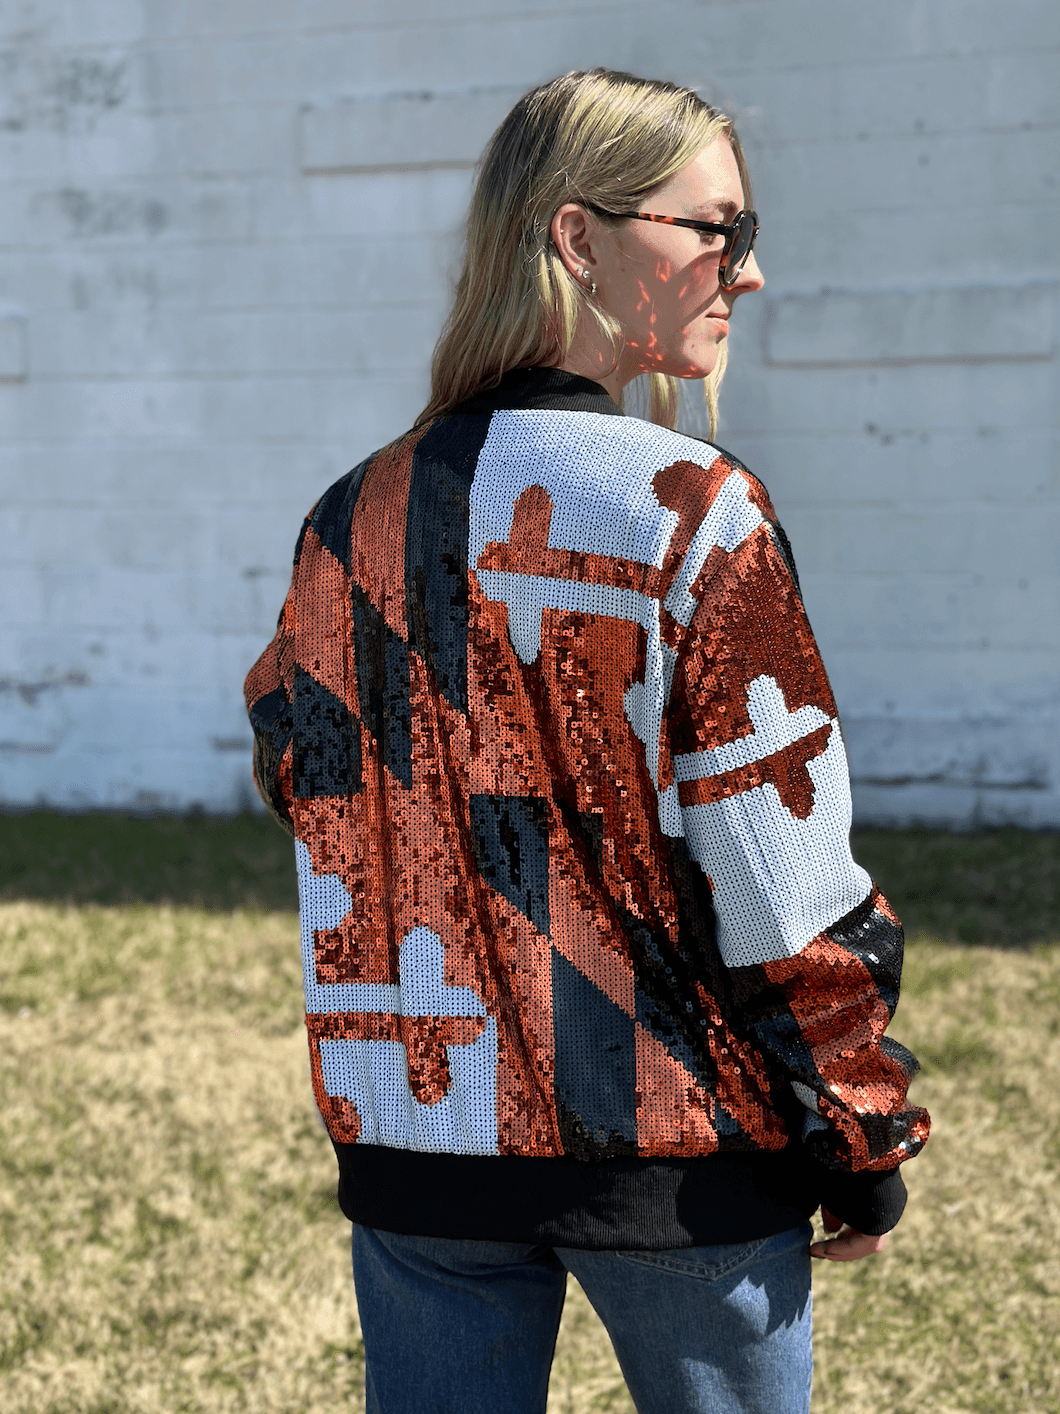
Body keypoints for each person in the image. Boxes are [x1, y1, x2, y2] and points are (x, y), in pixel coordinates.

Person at [244, 68, 929, 1414]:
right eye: (714, 228)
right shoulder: (691, 512)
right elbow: (779, 871)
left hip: (421, 1136)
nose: (751, 269)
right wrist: (861, 1127)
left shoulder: (348, 520)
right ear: (577, 238)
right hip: (678, 1155)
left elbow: (300, 775)